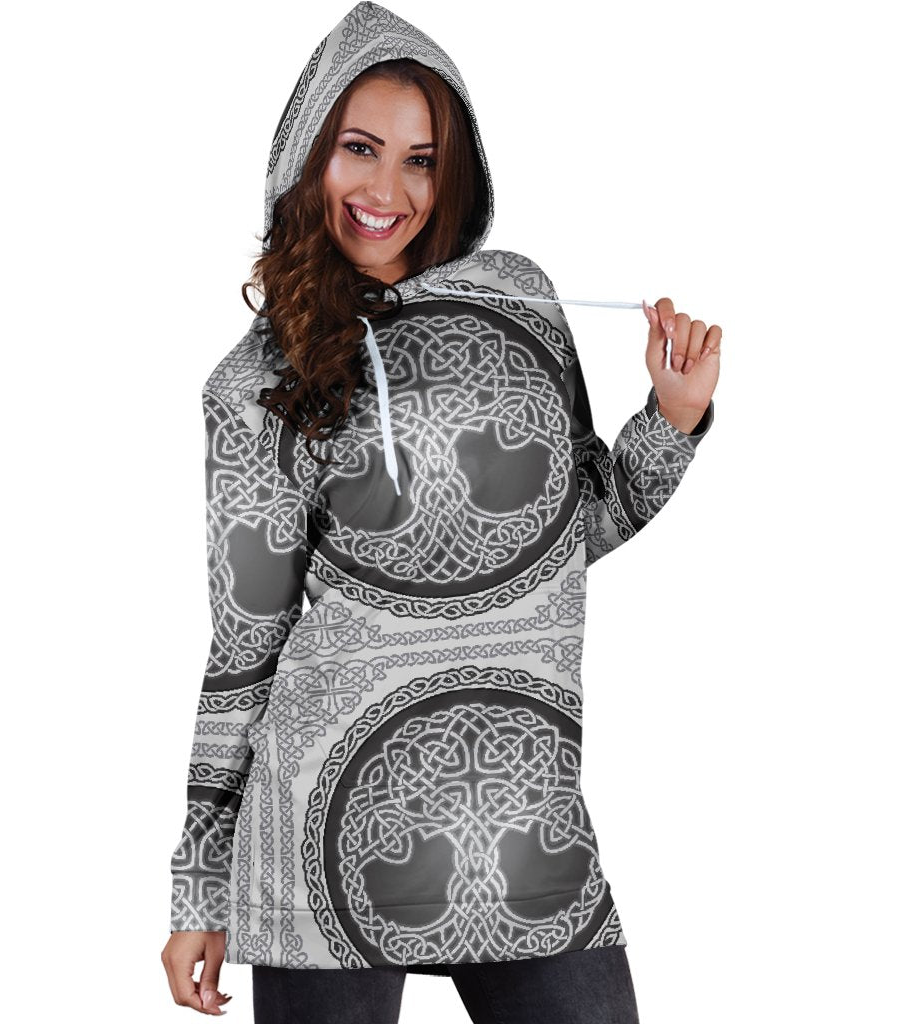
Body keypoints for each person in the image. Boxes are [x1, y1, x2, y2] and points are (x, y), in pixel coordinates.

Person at [161, 3, 721, 1021]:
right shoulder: (253, 383)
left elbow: (568, 535)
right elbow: (242, 650)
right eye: (359, 149)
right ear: (305, 153)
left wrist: (672, 419)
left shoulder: (518, 299)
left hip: (529, 838)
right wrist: (199, 885)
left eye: (419, 160)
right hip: (320, 852)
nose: (387, 192)